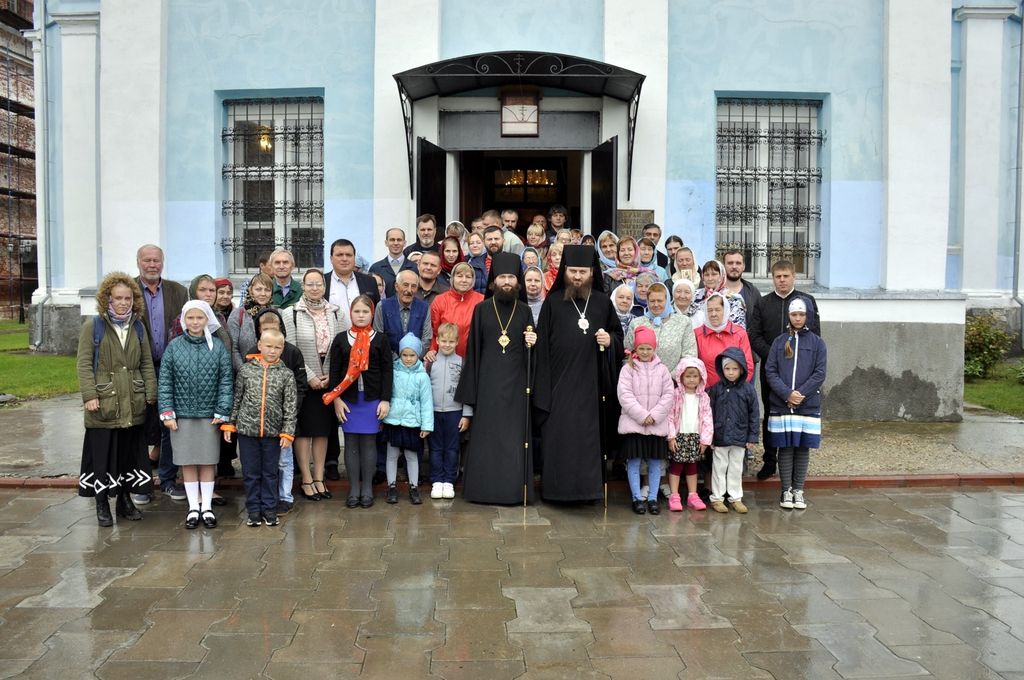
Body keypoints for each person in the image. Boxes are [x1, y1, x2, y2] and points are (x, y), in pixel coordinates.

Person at [534, 245, 623, 502]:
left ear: (592, 273)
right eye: (572, 271)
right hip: (558, 387)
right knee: (559, 438)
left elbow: (618, 335)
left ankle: (588, 491)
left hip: (591, 387)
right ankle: (556, 491)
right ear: (564, 271)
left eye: (582, 272)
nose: (577, 276)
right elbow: (541, 347)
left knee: (587, 440)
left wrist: (609, 340)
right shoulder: (552, 302)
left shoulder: (603, 303)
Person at [455, 252, 538, 504]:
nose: (507, 282)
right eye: (502, 277)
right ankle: (483, 491)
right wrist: (472, 394)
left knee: (513, 441)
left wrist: (532, 343)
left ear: (518, 282)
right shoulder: (481, 310)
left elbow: (532, 353)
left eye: (511, 277)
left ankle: (513, 492)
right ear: (493, 282)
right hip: (487, 387)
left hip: (516, 389)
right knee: (487, 440)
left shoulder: (524, 311)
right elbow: (473, 352)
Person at [76, 272, 157, 526]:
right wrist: (90, 395)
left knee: (127, 456)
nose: (123, 303)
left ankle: (124, 500)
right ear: (107, 299)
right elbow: (83, 364)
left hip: (132, 401)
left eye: (127, 298)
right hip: (104, 401)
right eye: (118, 298)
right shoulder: (94, 326)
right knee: (102, 456)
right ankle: (102, 503)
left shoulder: (137, 326)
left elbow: (146, 362)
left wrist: (150, 392)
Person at [158, 300, 233, 530]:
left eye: (199, 317)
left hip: (209, 415)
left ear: (207, 319)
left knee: (208, 460)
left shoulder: (217, 347)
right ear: (183, 320)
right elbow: (165, 381)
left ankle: (207, 507)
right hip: (181, 416)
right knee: (187, 461)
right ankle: (193, 507)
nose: (195, 322)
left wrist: (223, 409)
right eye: (190, 318)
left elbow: (226, 380)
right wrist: (167, 412)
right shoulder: (174, 347)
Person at [747, 259, 821, 481]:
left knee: (799, 412)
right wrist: (774, 357)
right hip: (772, 371)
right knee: (772, 414)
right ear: (773, 279)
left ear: (793, 277)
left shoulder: (806, 302)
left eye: (786, 276)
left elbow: (815, 336)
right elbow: (754, 335)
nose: (782, 280)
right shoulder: (763, 303)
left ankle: (795, 463)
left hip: (801, 371)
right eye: (778, 277)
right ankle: (770, 461)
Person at [221, 329, 298, 527]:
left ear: (282, 349)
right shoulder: (246, 371)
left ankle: (269, 509)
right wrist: (230, 424)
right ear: (260, 345)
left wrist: (287, 432)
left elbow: (290, 406)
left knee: (270, 473)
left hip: (273, 433)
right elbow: (237, 399)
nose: (272, 351)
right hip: (247, 432)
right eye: (269, 346)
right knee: (251, 472)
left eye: (277, 347)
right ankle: (253, 510)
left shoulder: (286, 374)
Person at [283, 268, 347, 502]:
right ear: (303, 286)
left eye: (318, 284)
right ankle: (307, 478)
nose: (314, 288)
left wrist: (331, 375)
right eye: (309, 284)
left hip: (329, 379)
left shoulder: (337, 312)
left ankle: (319, 477)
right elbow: (290, 349)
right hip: (303, 380)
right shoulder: (291, 313)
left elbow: (342, 346)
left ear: (324, 286)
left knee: (322, 431)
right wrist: (309, 375)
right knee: (304, 432)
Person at [325, 295, 392, 509]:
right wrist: (336, 399)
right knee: (351, 443)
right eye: (357, 311)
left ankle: (367, 489)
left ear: (372, 313)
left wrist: (385, 400)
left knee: (369, 443)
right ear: (350, 313)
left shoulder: (380, 339)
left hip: (372, 400)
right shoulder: (341, 339)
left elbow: (387, 371)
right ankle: (354, 488)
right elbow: (334, 370)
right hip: (348, 401)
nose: (361, 315)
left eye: (365, 311)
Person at [135, 244, 188, 504]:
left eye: (156, 260)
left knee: (169, 425)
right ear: (138, 263)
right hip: (138, 368)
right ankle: (141, 483)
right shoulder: (128, 290)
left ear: (163, 262)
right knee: (138, 425)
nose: (152, 265)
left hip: (171, 368)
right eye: (147, 260)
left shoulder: (178, 291)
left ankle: (167, 480)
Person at [766, 298, 827, 510]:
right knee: (785, 447)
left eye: (801, 314)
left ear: (807, 315)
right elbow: (770, 371)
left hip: (806, 404)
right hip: (783, 404)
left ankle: (799, 489)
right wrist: (786, 394)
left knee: (802, 447)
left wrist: (801, 394)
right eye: (794, 314)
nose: (798, 318)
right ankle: (786, 490)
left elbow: (820, 373)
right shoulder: (779, 342)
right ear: (789, 316)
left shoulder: (817, 343)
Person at [248, 308, 307, 515]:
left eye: (274, 329)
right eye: (265, 330)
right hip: (259, 422)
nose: (270, 334)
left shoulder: (292, 352)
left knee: (284, 460)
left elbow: (300, 386)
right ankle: (267, 497)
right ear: (259, 332)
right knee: (265, 463)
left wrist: (290, 413)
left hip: (284, 419)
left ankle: (285, 496)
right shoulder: (252, 354)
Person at [616, 326, 674, 515]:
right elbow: (624, 395)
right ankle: (637, 498)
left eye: (649, 348)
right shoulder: (628, 369)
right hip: (635, 425)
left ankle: (653, 498)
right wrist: (642, 415)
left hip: (656, 425)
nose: (645, 352)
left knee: (655, 463)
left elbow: (668, 395)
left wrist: (654, 415)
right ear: (636, 349)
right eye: (641, 348)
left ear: (654, 348)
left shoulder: (663, 370)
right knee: (634, 462)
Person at [706, 347, 759, 514]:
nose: (730, 372)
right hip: (720, 435)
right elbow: (709, 413)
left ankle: (735, 497)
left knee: (736, 467)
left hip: (740, 435)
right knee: (719, 467)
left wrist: (752, 436)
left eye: (734, 368)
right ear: (721, 369)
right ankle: (717, 498)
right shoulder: (716, 389)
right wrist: (710, 436)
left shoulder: (748, 390)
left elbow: (754, 414)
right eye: (727, 368)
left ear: (741, 369)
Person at [382, 333, 433, 505]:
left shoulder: (422, 376)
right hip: (393, 420)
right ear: (400, 354)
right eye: (405, 355)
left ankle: (413, 486)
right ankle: (391, 486)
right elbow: (386, 395)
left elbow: (426, 402)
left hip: (412, 423)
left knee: (411, 456)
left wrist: (426, 425)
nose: (408, 359)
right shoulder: (393, 372)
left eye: (412, 355)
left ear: (418, 355)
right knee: (392, 455)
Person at [427, 323, 468, 500]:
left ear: (457, 342)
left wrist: (466, 415)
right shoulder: (430, 362)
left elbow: (467, 391)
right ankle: (437, 480)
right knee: (435, 448)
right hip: (433, 412)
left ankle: (449, 481)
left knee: (452, 448)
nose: (447, 345)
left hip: (455, 412)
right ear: (437, 340)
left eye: (451, 341)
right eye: (444, 341)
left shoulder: (462, 362)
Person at [666, 357, 712, 512]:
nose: (691, 379)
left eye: (695, 376)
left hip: (695, 437)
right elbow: (669, 416)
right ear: (681, 377)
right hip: (679, 436)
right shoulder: (675, 395)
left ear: (701, 377)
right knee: (676, 465)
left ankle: (693, 495)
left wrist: (705, 440)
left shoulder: (703, 397)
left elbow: (707, 419)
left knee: (692, 466)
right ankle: (674, 495)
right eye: (688, 376)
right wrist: (671, 437)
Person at [624, 283, 697, 379]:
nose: (656, 304)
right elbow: (628, 353)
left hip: (673, 382)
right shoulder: (636, 323)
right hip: (640, 381)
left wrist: (668, 377)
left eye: (660, 301)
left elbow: (689, 356)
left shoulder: (683, 322)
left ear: (667, 301)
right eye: (652, 301)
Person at [425, 262, 483, 360]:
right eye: (459, 276)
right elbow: (434, 331)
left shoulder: (481, 301)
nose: (464, 280)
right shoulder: (440, 300)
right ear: (452, 278)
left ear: (473, 280)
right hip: (445, 357)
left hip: (474, 358)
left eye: (468, 277)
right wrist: (432, 349)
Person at [695, 293, 754, 389]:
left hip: (734, 391)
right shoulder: (697, 334)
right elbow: (694, 365)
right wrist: (706, 390)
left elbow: (748, 366)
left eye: (717, 310)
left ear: (725, 310)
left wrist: (734, 389)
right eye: (710, 310)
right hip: (705, 391)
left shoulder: (739, 333)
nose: (713, 314)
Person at [373, 269, 433, 357]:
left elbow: (426, 339)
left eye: (413, 286)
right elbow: (378, 337)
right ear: (396, 286)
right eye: (405, 285)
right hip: (389, 360)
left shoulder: (424, 307)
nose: (409, 290)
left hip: (416, 362)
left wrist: (413, 359)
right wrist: (394, 359)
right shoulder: (382, 306)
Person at [228, 273, 274, 371]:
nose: (263, 293)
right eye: (258, 289)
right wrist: (245, 372)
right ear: (250, 290)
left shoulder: (276, 314)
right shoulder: (238, 314)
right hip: (244, 373)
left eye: (267, 290)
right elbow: (233, 349)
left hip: (272, 373)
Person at [324, 238, 380, 311]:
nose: (344, 259)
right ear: (331, 259)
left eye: (349, 255)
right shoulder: (323, 282)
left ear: (354, 258)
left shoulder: (370, 282)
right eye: (340, 255)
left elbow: (377, 312)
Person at [692, 260, 746, 329]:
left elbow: (738, 327)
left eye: (714, 274)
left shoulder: (734, 299)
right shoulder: (695, 295)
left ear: (721, 276)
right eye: (706, 275)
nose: (710, 278)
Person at [369, 227, 417, 298]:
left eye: (399, 240)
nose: (396, 243)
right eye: (392, 240)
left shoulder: (415, 268)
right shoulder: (376, 268)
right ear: (386, 243)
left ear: (404, 243)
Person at [722, 249, 761, 317]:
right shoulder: (713, 291)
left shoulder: (753, 292)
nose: (734, 267)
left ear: (743, 267)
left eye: (738, 263)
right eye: (730, 263)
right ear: (723, 266)